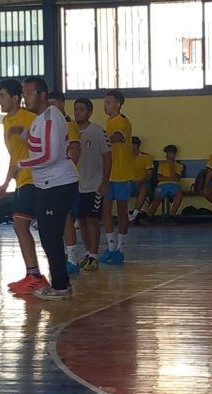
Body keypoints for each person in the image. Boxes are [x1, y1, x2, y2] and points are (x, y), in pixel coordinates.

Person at [19, 77, 80, 300]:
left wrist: (21, 165)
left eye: (29, 93)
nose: (25, 98)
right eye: (24, 93)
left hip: (58, 184)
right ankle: (61, 283)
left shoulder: (50, 118)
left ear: (42, 95)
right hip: (47, 185)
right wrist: (23, 134)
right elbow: (39, 145)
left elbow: (49, 156)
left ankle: (61, 286)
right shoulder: (40, 119)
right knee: (48, 235)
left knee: (51, 236)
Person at [0, 79, 49, 295]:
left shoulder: (29, 118)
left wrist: (26, 134)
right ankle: (32, 274)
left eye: (2, 95)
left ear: (16, 98)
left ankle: (36, 276)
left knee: (21, 225)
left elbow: (42, 146)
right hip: (21, 180)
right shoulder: (7, 121)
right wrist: (6, 182)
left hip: (35, 179)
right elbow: (14, 156)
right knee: (21, 226)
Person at [72, 97, 111, 271]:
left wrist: (105, 181)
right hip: (76, 185)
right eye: (76, 109)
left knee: (92, 219)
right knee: (81, 220)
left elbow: (107, 157)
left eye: (81, 109)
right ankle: (88, 253)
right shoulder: (71, 131)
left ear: (89, 112)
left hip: (94, 184)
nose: (77, 112)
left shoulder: (98, 132)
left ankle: (94, 256)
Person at [48, 91, 83, 273]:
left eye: (54, 104)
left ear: (62, 104)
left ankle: (72, 258)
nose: (51, 108)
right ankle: (62, 256)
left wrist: (67, 174)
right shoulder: (51, 125)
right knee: (57, 219)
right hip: (51, 180)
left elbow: (75, 150)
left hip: (64, 180)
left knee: (66, 218)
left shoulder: (68, 124)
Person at [100, 90, 133, 265]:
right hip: (109, 173)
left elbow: (118, 137)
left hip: (122, 173)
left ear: (118, 104)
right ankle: (111, 247)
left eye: (109, 102)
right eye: (105, 102)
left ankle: (121, 249)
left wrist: (101, 140)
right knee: (105, 209)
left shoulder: (122, 121)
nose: (105, 105)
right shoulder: (108, 121)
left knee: (121, 212)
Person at [146, 145, 184, 217]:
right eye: (167, 154)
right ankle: (149, 216)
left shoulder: (179, 165)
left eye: (170, 153)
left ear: (174, 154)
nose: (167, 156)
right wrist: (171, 178)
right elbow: (159, 178)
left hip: (174, 185)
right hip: (161, 185)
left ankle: (172, 215)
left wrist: (171, 166)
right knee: (156, 198)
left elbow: (176, 178)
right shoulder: (162, 164)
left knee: (179, 195)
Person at [129, 136, 154, 222]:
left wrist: (140, 181)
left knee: (143, 189)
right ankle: (125, 213)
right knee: (120, 188)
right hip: (130, 182)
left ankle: (135, 214)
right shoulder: (126, 158)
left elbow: (149, 174)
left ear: (135, 145)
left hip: (143, 181)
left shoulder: (146, 157)